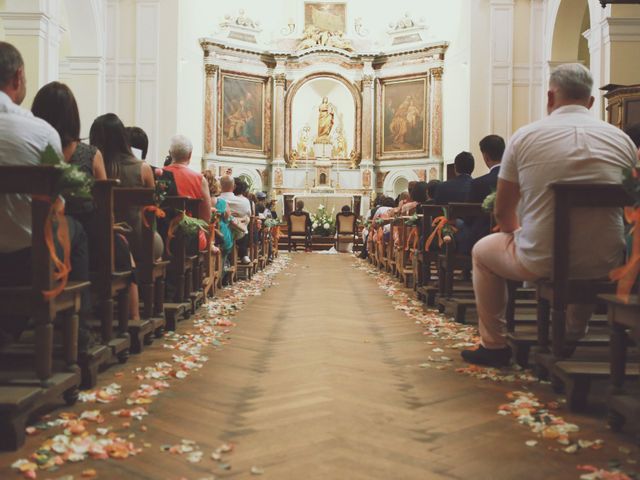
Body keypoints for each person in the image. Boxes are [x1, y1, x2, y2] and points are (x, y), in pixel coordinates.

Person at [461, 63, 637, 367]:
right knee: (589, 253)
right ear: (591, 102)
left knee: (482, 252)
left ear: (550, 97)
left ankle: (494, 345)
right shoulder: (621, 140)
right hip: (607, 259)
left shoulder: (525, 137)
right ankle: (572, 332)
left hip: (540, 258)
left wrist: (516, 233)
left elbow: (503, 211)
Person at [0, 42, 92, 349]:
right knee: (75, 232)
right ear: (18, 77)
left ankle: (10, 324)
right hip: (28, 258)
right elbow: (57, 206)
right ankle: (74, 334)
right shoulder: (40, 132)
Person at [90, 113, 161, 321]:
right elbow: (153, 208)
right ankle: (138, 310)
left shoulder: (92, 166)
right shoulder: (143, 169)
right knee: (155, 241)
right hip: (140, 241)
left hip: (102, 242)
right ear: (123, 137)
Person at [458, 135, 506, 254]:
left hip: (481, 239)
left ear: (486, 156)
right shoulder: (516, 180)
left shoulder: (478, 183)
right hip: (511, 236)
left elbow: (468, 218)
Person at [163, 135, 212, 222]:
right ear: (190, 154)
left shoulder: (159, 174)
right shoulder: (200, 179)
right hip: (191, 232)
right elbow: (206, 217)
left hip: (162, 230)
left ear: (170, 153)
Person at [220, 175, 252, 264]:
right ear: (233, 187)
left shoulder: (217, 200)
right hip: (239, 234)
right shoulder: (244, 201)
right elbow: (249, 215)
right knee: (245, 222)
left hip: (219, 233)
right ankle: (244, 254)